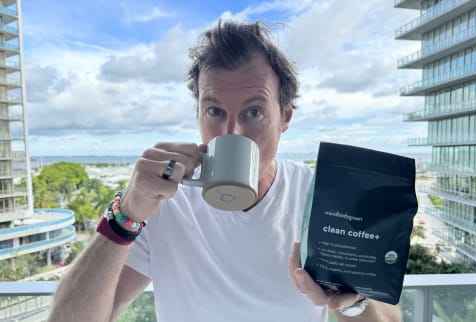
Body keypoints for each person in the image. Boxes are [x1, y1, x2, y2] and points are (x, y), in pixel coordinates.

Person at [49, 20, 402, 322]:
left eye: (253, 112)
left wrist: (353, 303)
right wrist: (125, 214)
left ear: (286, 117)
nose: (231, 133)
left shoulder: (321, 198)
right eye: (215, 111)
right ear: (198, 114)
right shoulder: (162, 202)